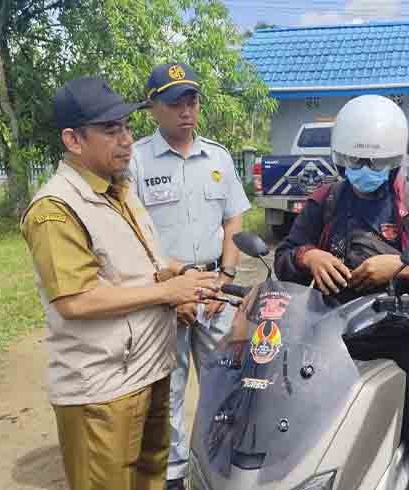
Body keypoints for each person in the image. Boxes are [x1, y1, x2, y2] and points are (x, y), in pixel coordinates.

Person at [21, 77, 220, 490]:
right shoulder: (56, 209)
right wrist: (168, 293)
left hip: (147, 370)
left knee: (150, 479)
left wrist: (180, 273)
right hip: (102, 387)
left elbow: (142, 263)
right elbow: (75, 300)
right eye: (111, 130)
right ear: (73, 140)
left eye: (127, 127)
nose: (127, 140)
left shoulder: (120, 189)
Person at [274, 95, 409, 490]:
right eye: (356, 162)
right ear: (340, 159)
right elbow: (283, 258)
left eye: (377, 163)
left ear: (396, 160)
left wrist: (403, 266)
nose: (365, 171)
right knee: (294, 432)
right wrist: (308, 257)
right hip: (334, 340)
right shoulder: (325, 203)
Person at [128, 62, 251, 490]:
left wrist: (226, 276)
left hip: (216, 292)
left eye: (192, 100)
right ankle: (175, 475)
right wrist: (171, 291)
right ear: (152, 108)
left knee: (226, 383)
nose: (186, 110)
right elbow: (130, 234)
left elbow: (233, 221)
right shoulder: (136, 161)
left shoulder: (218, 156)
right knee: (169, 389)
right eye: (174, 102)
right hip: (165, 296)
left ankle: (223, 466)